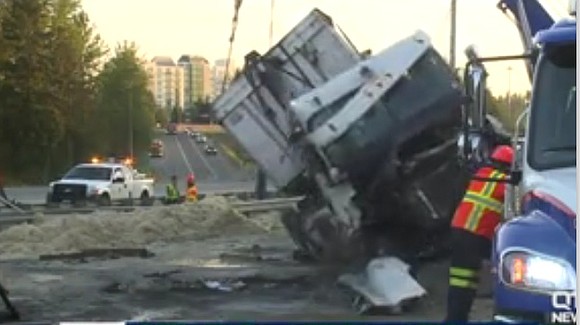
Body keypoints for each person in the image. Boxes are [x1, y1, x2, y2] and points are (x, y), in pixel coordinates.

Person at [445, 144, 514, 322]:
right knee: (466, 281)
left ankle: (456, 318)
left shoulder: (481, 175)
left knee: (461, 281)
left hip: (461, 231)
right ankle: (456, 319)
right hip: (474, 234)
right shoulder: (504, 182)